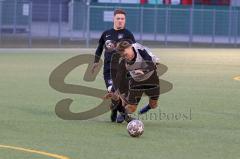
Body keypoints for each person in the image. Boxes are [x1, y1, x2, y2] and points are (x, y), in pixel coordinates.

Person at [91, 9, 136, 122]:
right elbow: (100, 48)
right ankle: (127, 118)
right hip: (109, 70)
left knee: (123, 96)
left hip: (125, 70)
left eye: (122, 19)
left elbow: (135, 51)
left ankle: (115, 109)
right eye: (118, 18)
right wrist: (96, 61)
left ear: (125, 20)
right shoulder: (106, 34)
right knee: (113, 93)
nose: (120, 21)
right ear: (113, 19)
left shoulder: (128, 34)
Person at [113, 40, 160, 122]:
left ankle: (149, 106)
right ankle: (124, 114)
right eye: (123, 56)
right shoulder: (122, 61)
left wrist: (143, 70)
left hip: (151, 78)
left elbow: (152, 65)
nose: (126, 57)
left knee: (153, 105)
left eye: (126, 54)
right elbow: (118, 78)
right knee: (131, 108)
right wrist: (115, 91)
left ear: (130, 47)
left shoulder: (139, 49)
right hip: (136, 81)